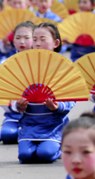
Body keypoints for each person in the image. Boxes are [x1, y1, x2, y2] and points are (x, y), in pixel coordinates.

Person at [14, 23, 74, 163]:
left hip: (53, 124)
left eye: (43, 39)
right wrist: (20, 106)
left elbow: (72, 97)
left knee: (45, 154)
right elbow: (12, 95)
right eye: (35, 39)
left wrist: (57, 106)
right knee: (25, 156)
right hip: (30, 123)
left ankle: (61, 145)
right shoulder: (24, 66)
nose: (38, 43)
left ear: (56, 43)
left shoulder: (62, 68)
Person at [0, 21, 34, 144]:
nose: (22, 42)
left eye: (26, 38)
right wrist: (16, 106)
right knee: (7, 135)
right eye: (18, 38)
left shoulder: (42, 63)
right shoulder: (5, 64)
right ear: (13, 40)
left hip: (39, 114)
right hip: (14, 114)